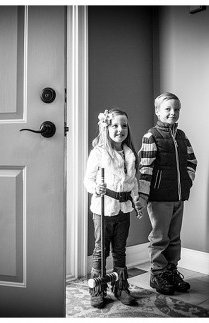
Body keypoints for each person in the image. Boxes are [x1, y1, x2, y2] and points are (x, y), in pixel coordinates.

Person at [136, 92, 197, 296]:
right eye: (168, 109)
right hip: (159, 197)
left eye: (176, 109)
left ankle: (171, 271)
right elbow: (145, 169)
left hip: (179, 196)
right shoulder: (151, 136)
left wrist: (188, 179)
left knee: (174, 237)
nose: (173, 113)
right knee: (160, 237)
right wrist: (143, 197)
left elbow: (191, 161)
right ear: (157, 111)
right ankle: (158, 273)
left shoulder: (182, 136)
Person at [83, 108, 142, 308]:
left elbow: (132, 182)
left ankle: (120, 286)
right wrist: (96, 188)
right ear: (106, 128)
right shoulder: (99, 153)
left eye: (124, 125)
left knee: (120, 250)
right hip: (104, 209)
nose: (120, 129)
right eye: (115, 125)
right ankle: (97, 289)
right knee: (101, 250)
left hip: (123, 210)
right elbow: (88, 180)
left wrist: (136, 201)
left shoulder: (129, 154)